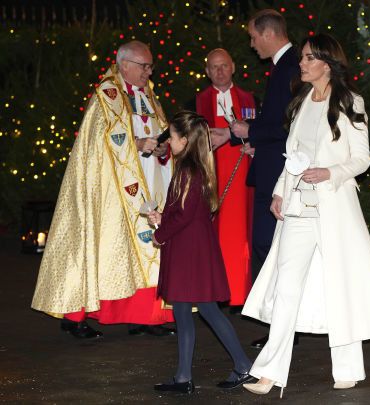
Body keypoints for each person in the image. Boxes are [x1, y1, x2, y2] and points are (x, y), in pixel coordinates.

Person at [241, 33, 370, 397]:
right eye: (303, 58)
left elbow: (361, 159)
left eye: (309, 58)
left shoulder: (350, 102)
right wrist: (280, 192)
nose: (303, 64)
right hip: (297, 208)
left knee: (338, 283)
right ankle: (268, 372)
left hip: (334, 208)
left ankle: (348, 367)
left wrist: (330, 172)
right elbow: (291, 158)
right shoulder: (300, 102)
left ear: (327, 63)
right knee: (286, 286)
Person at [31, 40, 176, 338]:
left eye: (150, 66)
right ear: (124, 65)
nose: (149, 72)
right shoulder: (105, 95)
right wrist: (137, 145)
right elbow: (97, 144)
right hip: (111, 192)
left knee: (149, 244)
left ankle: (145, 316)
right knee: (99, 245)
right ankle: (74, 317)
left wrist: (162, 148)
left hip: (148, 183)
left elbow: (161, 132)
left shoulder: (148, 95)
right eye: (144, 66)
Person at [147, 111, 253, 394]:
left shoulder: (187, 170)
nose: (168, 141)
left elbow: (183, 217)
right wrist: (163, 217)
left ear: (183, 140)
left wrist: (160, 232)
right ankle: (184, 377)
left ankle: (243, 365)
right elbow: (185, 212)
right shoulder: (195, 167)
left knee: (205, 310)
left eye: (171, 136)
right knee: (189, 311)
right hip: (192, 249)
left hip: (188, 252)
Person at [230, 8, 300, 349]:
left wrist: (250, 130)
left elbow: (290, 125)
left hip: (280, 173)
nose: (252, 43)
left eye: (253, 36)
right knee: (268, 246)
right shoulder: (283, 66)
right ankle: (281, 322)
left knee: (272, 246)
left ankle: (285, 325)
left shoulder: (291, 66)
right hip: (271, 163)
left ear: (269, 34)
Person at [195, 48, 256, 307]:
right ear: (207, 71)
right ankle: (216, 292)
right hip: (212, 176)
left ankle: (240, 293)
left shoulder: (249, 98)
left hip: (242, 178)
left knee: (241, 235)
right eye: (214, 67)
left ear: (233, 67)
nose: (220, 71)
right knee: (214, 235)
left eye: (224, 66)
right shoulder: (197, 101)